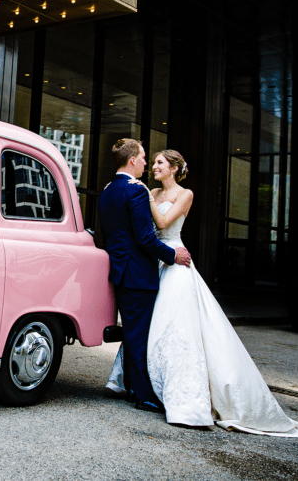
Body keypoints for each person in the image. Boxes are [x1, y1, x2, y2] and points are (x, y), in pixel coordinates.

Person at [107, 150, 298, 437]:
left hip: (174, 260)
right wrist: (145, 193)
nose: (153, 166)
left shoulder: (183, 194)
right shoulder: (149, 190)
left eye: (159, 162)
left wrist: (144, 194)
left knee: (176, 328)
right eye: (151, 160)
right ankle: (140, 385)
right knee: (144, 327)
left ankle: (172, 394)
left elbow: (163, 224)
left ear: (174, 168)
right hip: (152, 262)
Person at [98, 139, 192, 414]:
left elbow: (111, 233)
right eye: (142, 158)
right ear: (131, 161)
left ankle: (129, 384)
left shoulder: (108, 189)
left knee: (132, 331)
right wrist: (172, 256)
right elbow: (145, 237)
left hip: (120, 268)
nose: (145, 164)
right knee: (138, 335)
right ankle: (142, 394)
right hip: (139, 271)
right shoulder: (136, 191)